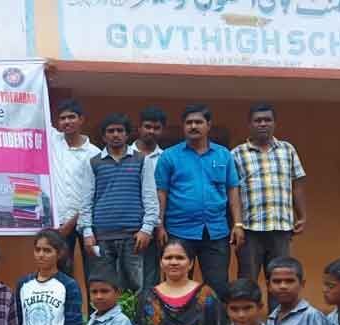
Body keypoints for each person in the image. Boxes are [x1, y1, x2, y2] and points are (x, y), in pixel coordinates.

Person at [155, 104, 244, 298]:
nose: (193, 126)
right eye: (189, 123)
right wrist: (159, 224)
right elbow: (161, 192)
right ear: (183, 126)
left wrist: (237, 223)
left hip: (216, 231)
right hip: (179, 231)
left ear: (208, 125)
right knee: (176, 284)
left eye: (198, 122)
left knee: (218, 287)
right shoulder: (169, 156)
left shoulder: (224, 155)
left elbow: (232, 189)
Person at [79, 113, 159, 294]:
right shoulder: (93, 162)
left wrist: (147, 229)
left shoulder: (141, 160)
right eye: (111, 131)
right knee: (104, 286)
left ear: (127, 134)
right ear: (103, 136)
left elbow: (150, 197)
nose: (115, 134)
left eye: (120, 130)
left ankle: (136, 323)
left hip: (134, 237)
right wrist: (87, 231)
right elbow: (86, 200)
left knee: (136, 288)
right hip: (101, 237)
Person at [231, 103, 307, 283]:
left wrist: (302, 216)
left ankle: (277, 313)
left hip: (280, 227)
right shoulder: (236, 154)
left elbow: (296, 184)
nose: (263, 124)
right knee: (247, 281)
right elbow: (233, 192)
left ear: (274, 123)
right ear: (249, 124)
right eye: (258, 120)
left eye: (267, 120)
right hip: (250, 229)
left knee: (280, 279)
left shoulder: (287, 150)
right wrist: (237, 224)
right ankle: (246, 312)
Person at [50, 99, 101, 281]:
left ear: (81, 120)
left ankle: (96, 310)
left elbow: (95, 194)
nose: (67, 122)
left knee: (94, 274)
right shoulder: (53, 142)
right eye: (62, 118)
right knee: (61, 275)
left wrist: (73, 222)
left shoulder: (95, 154)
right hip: (59, 225)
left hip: (88, 224)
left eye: (71, 117)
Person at [132, 106, 168, 293]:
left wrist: (159, 224)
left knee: (152, 277)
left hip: (157, 227)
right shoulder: (125, 154)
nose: (151, 131)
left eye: (156, 127)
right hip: (128, 226)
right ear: (139, 128)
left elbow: (165, 192)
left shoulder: (166, 158)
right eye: (147, 126)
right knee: (128, 279)